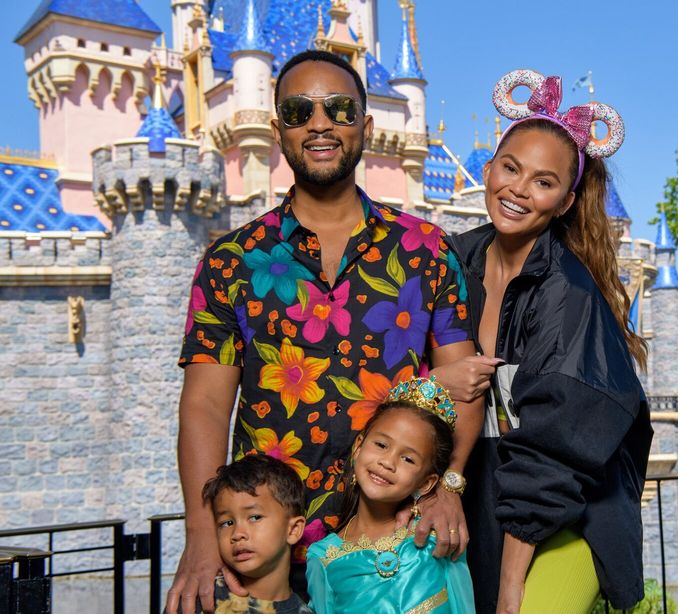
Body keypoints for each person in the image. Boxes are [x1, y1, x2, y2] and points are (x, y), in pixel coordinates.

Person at [169, 50, 482, 614]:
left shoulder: (428, 250)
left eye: (338, 109)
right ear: (277, 129)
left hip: (393, 555)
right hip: (262, 561)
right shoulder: (231, 260)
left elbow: (464, 386)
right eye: (298, 111)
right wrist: (199, 533)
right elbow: (206, 408)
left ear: (365, 126)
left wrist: (450, 487)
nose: (319, 124)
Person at [432, 70, 652, 613]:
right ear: (489, 169)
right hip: (468, 497)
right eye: (510, 168)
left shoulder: (567, 293)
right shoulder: (448, 260)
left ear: (565, 201)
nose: (518, 190)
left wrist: (511, 587)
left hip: (561, 518)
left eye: (543, 182)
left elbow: (555, 452)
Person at [305, 377, 475, 613]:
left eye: (408, 459)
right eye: (382, 445)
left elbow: (463, 606)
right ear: (358, 447)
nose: (387, 462)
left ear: (426, 483)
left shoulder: (437, 538)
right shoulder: (322, 557)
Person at [198, 454, 313, 614]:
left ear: (293, 530)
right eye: (227, 523)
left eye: (254, 517)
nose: (237, 534)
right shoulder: (202, 599)